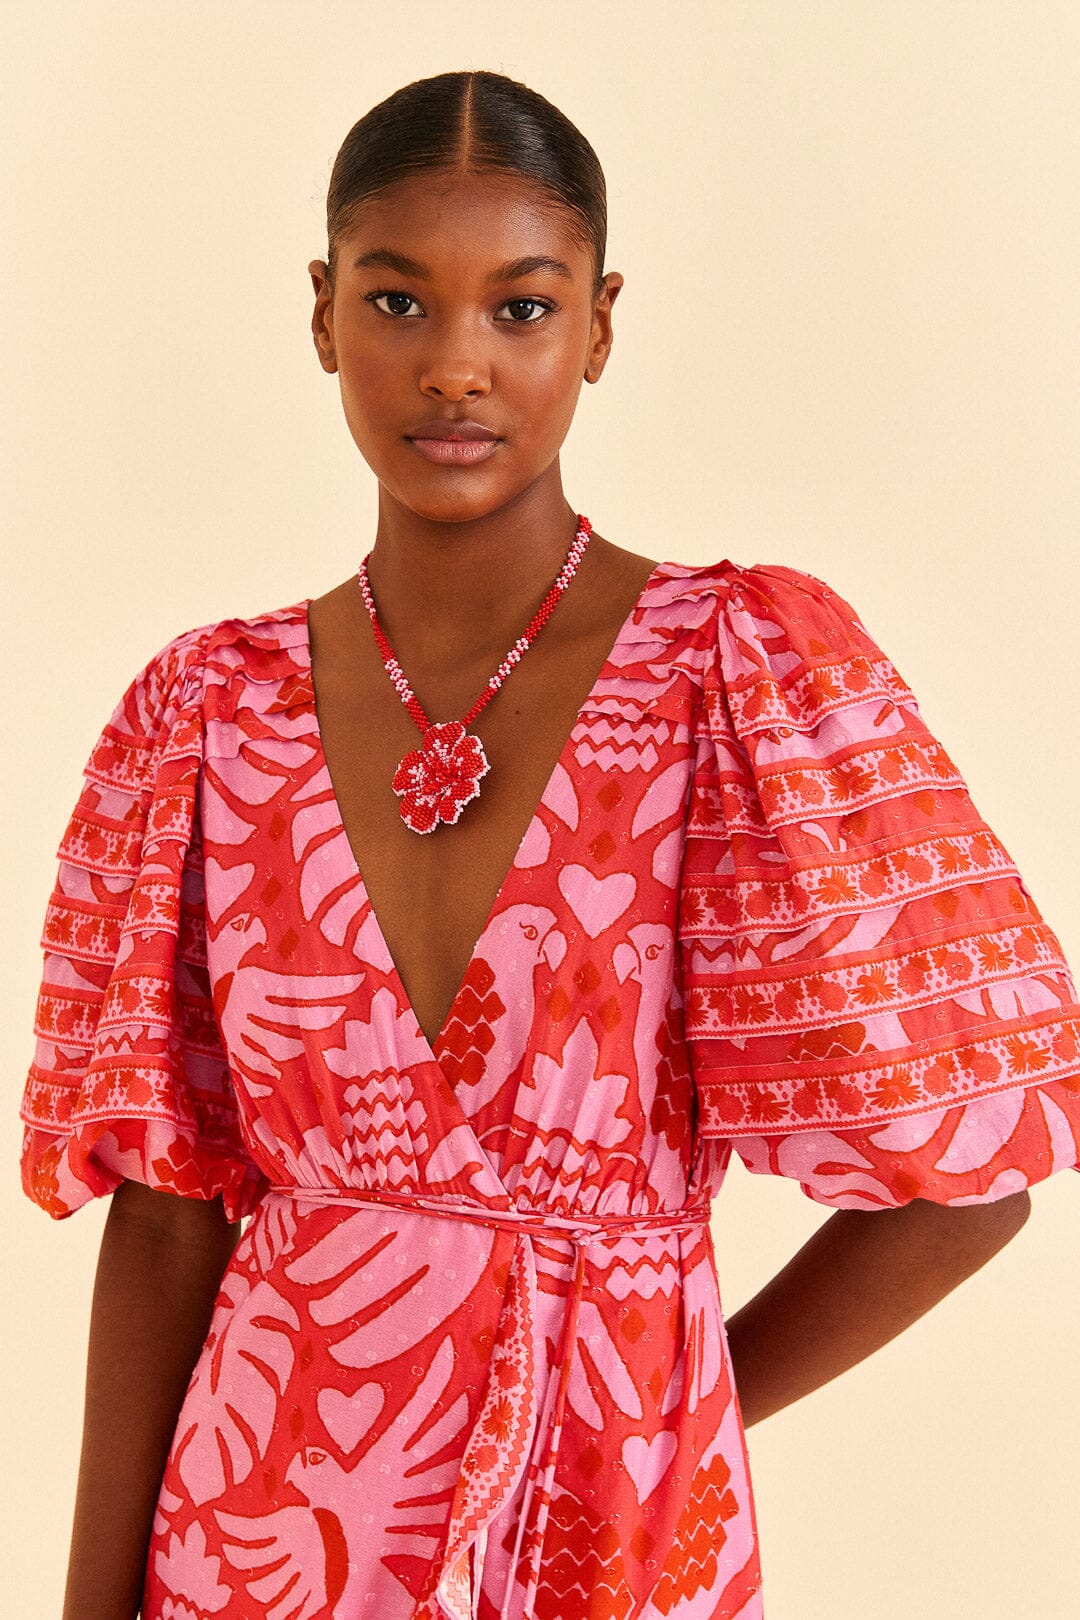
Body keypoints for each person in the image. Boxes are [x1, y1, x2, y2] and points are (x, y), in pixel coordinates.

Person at [18, 68, 1080, 1620]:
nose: (456, 366)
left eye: (521, 308)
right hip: (246, 1540)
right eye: (397, 300)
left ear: (600, 326)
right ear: (322, 315)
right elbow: (168, 1221)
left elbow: (969, 1184)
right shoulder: (206, 716)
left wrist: (662, 1418)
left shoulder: (733, 681)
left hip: (603, 1543)